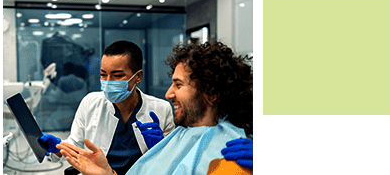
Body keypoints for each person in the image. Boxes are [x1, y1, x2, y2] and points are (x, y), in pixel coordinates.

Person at [57, 40, 253, 175]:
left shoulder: (232, 155)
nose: (168, 94)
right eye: (103, 74)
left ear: (211, 93)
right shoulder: (184, 134)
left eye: (178, 85)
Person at [39, 41, 175, 175]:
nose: (108, 81)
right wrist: (58, 147)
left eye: (117, 75)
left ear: (138, 76)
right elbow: (75, 144)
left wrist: (161, 148)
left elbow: (171, 163)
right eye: (103, 74)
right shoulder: (90, 102)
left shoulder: (161, 109)